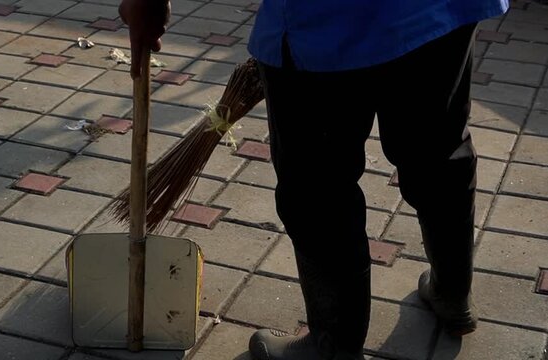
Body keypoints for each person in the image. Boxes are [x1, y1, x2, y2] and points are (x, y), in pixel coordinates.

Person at [119, 0, 510, 359]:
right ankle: (452, 292)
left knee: (318, 184)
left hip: (325, 18)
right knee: (437, 149)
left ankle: (333, 347)